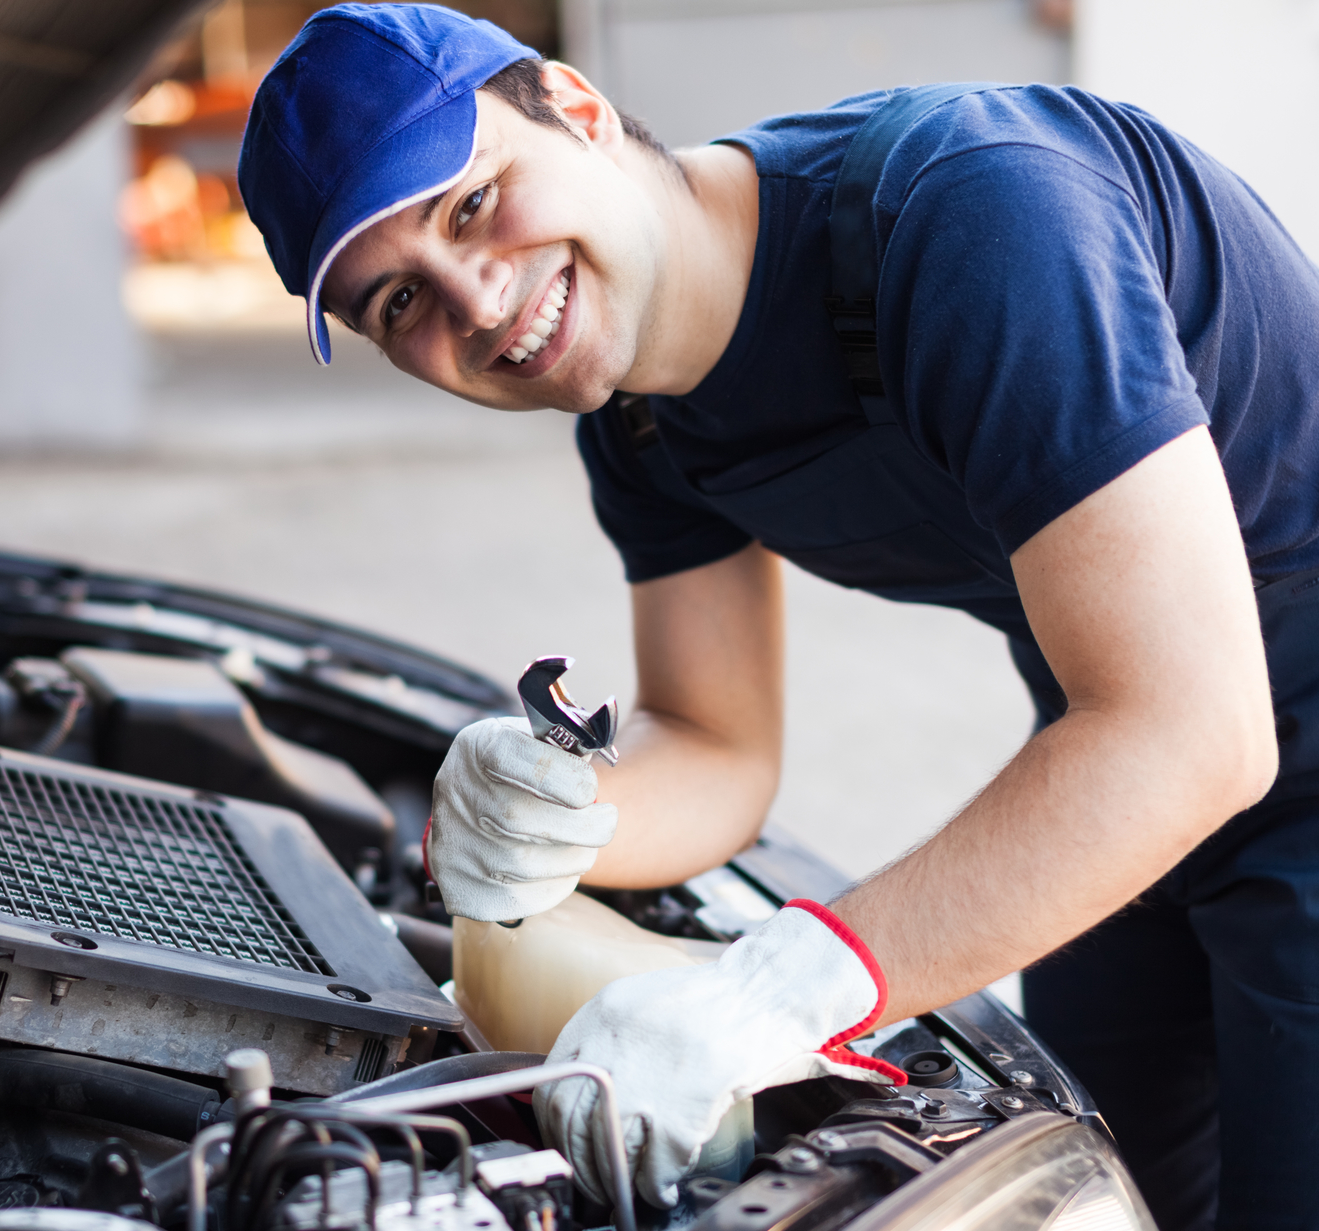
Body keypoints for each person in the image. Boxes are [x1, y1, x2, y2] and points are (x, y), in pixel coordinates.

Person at [236, 6, 1319, 1229]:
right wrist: (559, 817)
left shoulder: (970, 216)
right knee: (1113, 1196)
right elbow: (715, 740)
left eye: (473, 204)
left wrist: (773, 994)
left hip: (1192, 748)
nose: (474, 304)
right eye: (397, 305)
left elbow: (1192, 728)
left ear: (576, 108)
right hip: (1124, 782)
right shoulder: (642, 425)